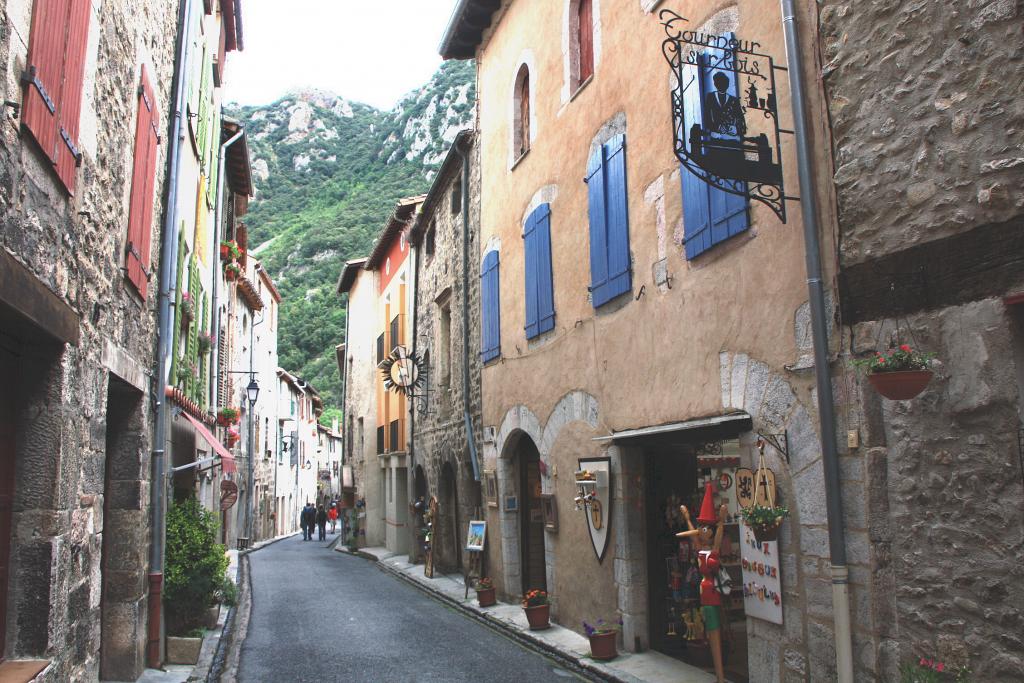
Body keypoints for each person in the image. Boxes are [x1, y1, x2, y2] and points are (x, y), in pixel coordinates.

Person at [677, 483, 730, 683]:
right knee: (712, 631)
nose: (702, 530)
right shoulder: (700, 550)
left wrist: (723, 520)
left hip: (713, 593)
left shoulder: (711, 550)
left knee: (715, 630)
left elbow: (717, 539)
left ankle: (720, 675)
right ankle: (720, 675)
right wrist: (687, 519)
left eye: (706, 527)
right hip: (707, 594)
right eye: (701, 527)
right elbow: (694, 539)